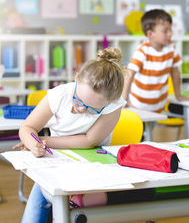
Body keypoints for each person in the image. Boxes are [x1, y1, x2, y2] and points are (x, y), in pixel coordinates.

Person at [15, 47, 126, 223]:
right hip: (56, 161)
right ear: (76, 79)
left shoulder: (114, 104)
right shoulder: (59, 96)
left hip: (95, 162)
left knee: (90, 208)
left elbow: (89, 141)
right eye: (78, 100)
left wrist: (45, 141)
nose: (81, 109)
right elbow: (27, 127)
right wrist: (32, 142)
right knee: (33, 216)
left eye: (91, 109)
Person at [122, 9, 189, 112]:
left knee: (152, 128)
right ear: (150, 34)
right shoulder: (143, 50)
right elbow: (129, 73)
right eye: (165, 31)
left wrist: (179, 95)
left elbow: (175, 73)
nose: (170, 34)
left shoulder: (171, 49)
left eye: (170, 29)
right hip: (138, 104)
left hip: (158, 104)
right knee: (140, 128)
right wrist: (123, 99)